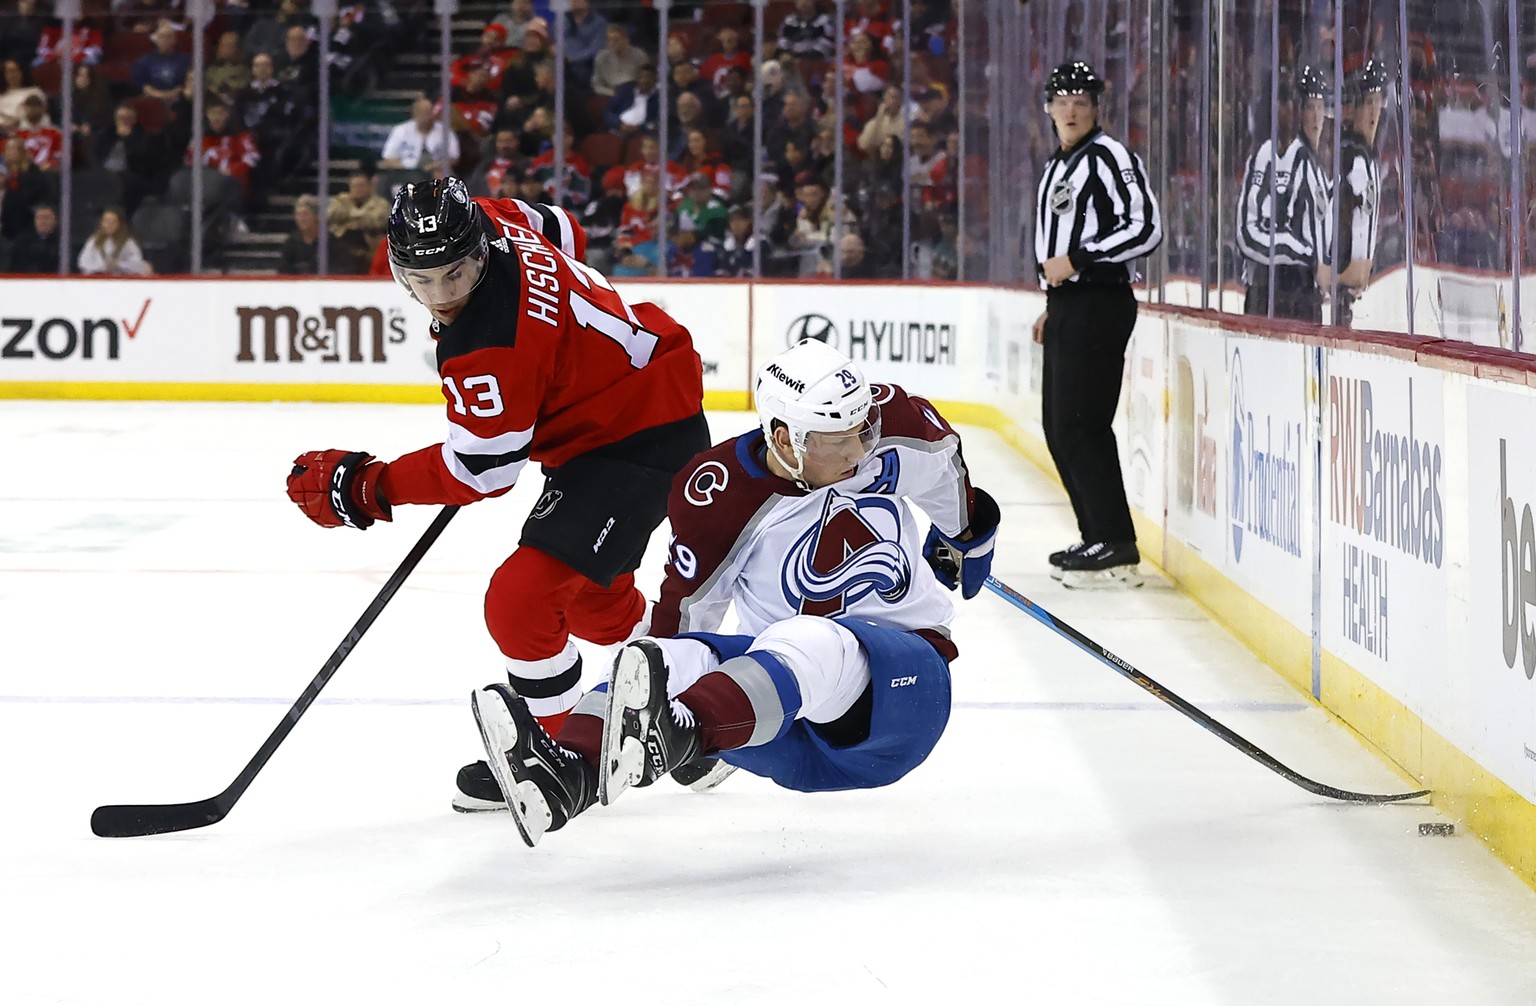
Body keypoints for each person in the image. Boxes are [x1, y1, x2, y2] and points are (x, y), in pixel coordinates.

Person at [467, 338, 1001, 847]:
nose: (859, 452)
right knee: (667, 656)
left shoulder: (896, 428)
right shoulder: (719, 495)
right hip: (774, 719)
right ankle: (568, 776)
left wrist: (967, 535)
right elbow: (684, 622)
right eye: (838, 442)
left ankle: (687, 730)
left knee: (809, 638)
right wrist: (668, 680)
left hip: (902, 698)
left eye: (864, 433)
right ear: (786, 437)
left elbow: (946, 474)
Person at [284, 177, 710, 811]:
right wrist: (563, 349)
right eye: (422, 281)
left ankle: (562, 757)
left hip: (638, 436)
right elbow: (566, 229)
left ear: (478, 251)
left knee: (521, 603)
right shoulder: (491, 216)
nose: (442, 296)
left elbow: (484, 470)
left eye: (455, 276)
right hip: (627, 410)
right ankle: (694, 717)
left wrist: (371, 486)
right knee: (595, 605)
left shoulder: (487, 344)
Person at [1029, 61, 1162, 587]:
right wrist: (1051, 300)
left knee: (1082, 424)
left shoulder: (1109, 157)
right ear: (1048, 107)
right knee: (1059, 428)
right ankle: (1096, 533)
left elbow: (1145, 227)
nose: (1070, 109)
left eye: (1080, 100)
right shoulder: (1056, 165)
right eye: (1061, 100)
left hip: (1099, 301)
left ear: (1096, 107)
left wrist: (1081, 262)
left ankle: (1115, 539)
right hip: (1068, 305)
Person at [1235, 66, 1333, 323]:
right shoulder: (1264, 159)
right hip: (1271, 294)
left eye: (1320, 107)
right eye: (1309, 107)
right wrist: (1305, 254)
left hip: (1306, 298)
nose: (1316, 116)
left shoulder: (1316, 167)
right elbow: (1247, 235)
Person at [1332, 58, 1386, 329]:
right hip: (1340, 286)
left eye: (1378, 101)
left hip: (1353, 290)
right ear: (1354, 109)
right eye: (1368, 102)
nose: (1374, 111)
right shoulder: (1349, 155)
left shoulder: (1369, 157)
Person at [77, 206, 152, 275]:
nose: (106, 225)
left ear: (119, 224)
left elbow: (138, 265)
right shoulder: (94, 241)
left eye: (111, 222)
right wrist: (101, 268)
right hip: (98, 281)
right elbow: (83, 262)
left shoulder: (128, 243)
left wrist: (119, 265)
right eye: (105, 221)